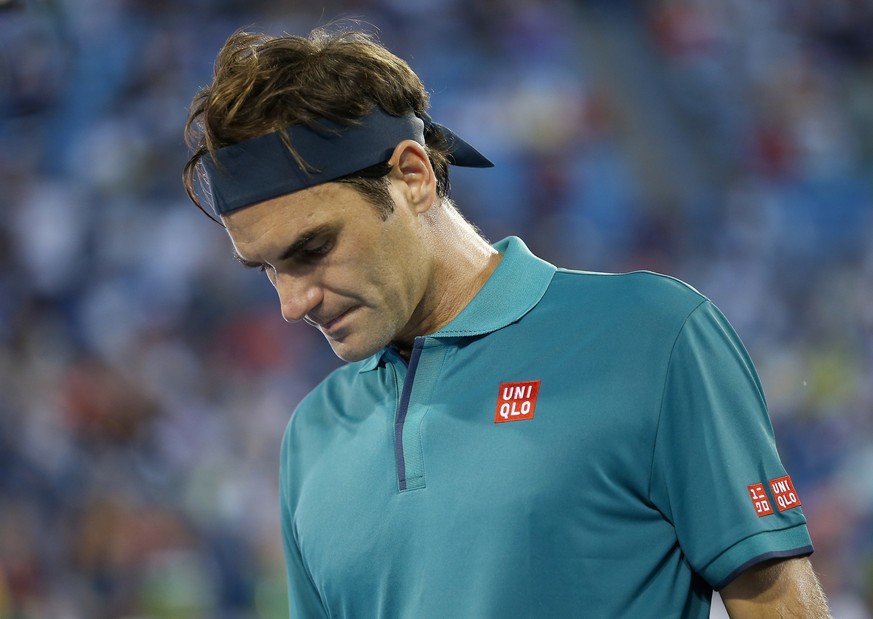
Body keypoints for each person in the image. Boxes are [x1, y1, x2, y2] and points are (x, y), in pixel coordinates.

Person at [183, 25, 832, 619]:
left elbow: (778, 605)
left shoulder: (652, 335)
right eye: (267, 268)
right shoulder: (311, 436)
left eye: (313, 248)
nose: (292, 303)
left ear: (412, 176)